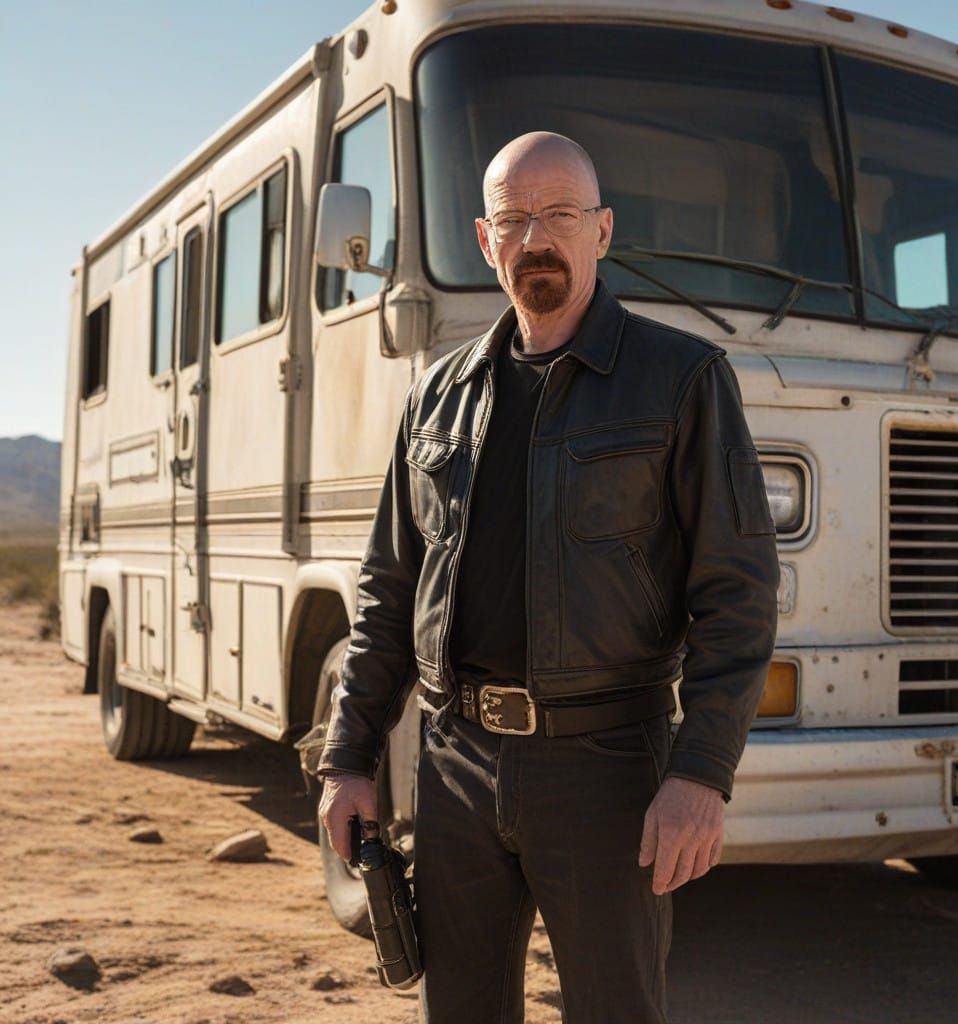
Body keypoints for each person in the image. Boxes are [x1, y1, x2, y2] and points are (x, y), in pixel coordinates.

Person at [317, 131, 780, 1023]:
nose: (538, 235)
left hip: (609, 771)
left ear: (601, 231)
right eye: (515, 218)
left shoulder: (683, 380)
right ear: (486, 243)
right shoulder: (435, 397)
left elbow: (739, 595)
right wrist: (350, 756)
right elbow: (388, 591)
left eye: (560, 213)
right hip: (454, 767)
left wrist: (702, 774)